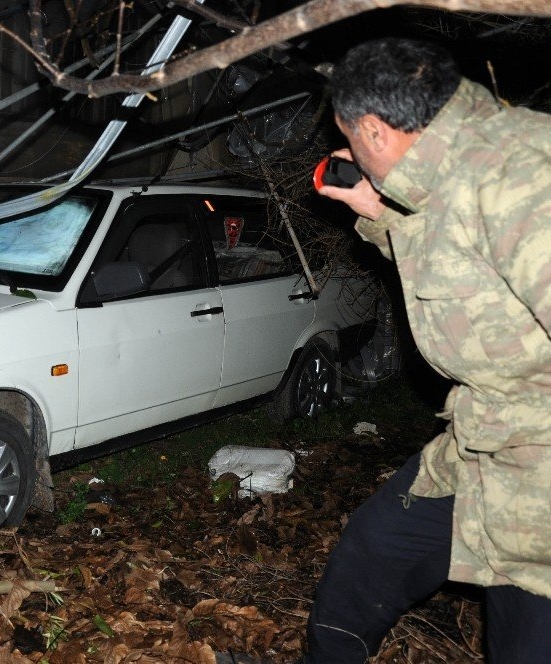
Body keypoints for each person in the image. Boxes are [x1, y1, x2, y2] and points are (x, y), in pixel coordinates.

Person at [304, 38, 551, 663]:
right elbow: (471, 278)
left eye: (350, 139)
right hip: (481, 442)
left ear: (374, 130)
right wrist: (379, 213)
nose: (351, 153)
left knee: (525, 636)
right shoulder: (453, 169)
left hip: (539, 474)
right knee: (374, 550)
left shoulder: (523, 179)